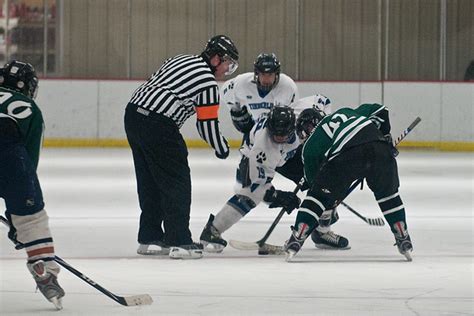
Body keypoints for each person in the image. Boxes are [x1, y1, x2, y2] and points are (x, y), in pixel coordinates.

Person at [124, 35, 239, 260]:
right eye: (227, 63)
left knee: (149, 180)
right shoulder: (207, 82)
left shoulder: (181, 59)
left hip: (133, 115)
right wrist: (221, 147)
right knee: (176, 182)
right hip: (159, 124)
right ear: (215, 58)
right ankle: (179, 240)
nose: (227, 69)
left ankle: (149, 237)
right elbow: (207, 125)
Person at [284, 104, 413, 262]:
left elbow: (316, 186)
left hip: (347, 156)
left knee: (317, 197)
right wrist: (385, 136)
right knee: (388, 195)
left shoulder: (309, 147)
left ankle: (298, 236)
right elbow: (381, 110)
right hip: (379, 147)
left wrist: (331, 198)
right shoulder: (344, 112)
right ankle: (402, 236)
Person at [0, 60, 65, 309]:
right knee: (32, 219)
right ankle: (44, 269)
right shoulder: (29, 107)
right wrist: (19, 218)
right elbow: (29, 161)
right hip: (11, 159)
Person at [199, 106, 303, 253]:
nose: (279, 137)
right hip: (253, 159)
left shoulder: (299, 128)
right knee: (250, 195)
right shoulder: (263, 145)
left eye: (283, 134)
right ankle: (212, 230)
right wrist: (277, 196)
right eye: (276, 133)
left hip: (283, 157)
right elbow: (257, 184)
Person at [221, 52, 299, 135]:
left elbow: (293, 117)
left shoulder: (287, 86)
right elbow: (224, 92)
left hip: (278, 138)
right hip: (253, 136)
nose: (266, 79)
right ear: (257, 74)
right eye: (263, 74)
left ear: (276, 74)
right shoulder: (242, 83)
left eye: (270, 74)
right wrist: (235, 110)